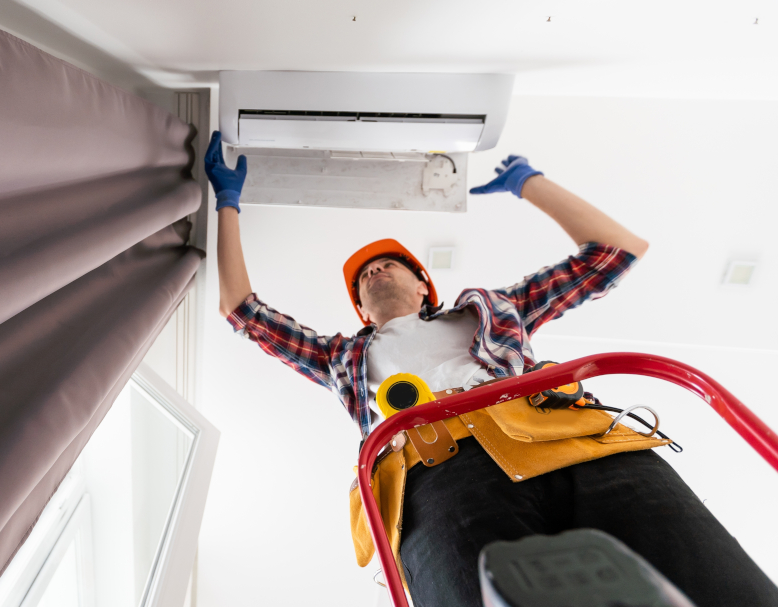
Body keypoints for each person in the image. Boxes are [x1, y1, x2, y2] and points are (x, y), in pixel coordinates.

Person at [206, 131, 778, 606]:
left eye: (390, 264)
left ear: (424, 285)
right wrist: (226, 205)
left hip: (577, 442)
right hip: (436, 472)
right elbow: (243, 312)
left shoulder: (492, 309)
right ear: (358, 306)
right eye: (365, 275)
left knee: (712, 581)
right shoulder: (342, 358)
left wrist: (527, 182)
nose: (376, 271)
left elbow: (614, 252)